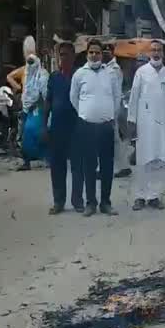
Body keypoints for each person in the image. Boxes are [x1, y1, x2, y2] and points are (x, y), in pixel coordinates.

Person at [70, 39, 121, 217]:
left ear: (102, 54)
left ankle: (106, 203)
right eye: (91, 52)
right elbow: (73, 98)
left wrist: (108, 116)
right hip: (87, 127)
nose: (94, 55)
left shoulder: (111, 74)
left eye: (97, 52)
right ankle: (91, 203)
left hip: (106, 127)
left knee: (107, 166)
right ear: (87, 54)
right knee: (89, 166)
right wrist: (86, 114)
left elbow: (116, 98)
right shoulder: (79, 74)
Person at [129, 40, 165, 211]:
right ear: (149, 53)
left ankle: (154, 196)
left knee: (159, 160)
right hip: (144, 124)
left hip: (162, 125)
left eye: (159, 50)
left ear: (163, 53)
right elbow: (134, 98)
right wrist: (131, 120)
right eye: (153, 50)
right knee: (143, 160)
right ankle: (140, 196)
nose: (156, 53)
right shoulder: (141, 72)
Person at [41, 39, 83, 214]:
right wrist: (44, 126)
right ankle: (58, 202)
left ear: (73, 56)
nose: (63, 58)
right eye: (61, 55)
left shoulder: (80, 76)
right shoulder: (54, 77)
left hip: (76, 129)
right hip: (57, 128)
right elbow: (48, 102)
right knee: (57, 167)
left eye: (67, 54)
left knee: (78, 167)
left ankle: (77, 201)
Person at [17, 36, 49, 171]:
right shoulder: (27, 74)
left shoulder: (43, 75)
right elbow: (26, 93)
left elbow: (45, 95)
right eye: (28, 62)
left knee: (39, 134)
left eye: (32, 62)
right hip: (26, 110)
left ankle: (48, 159)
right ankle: (26, 162)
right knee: (25, 136)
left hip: (39, 111)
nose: (30, 64)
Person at [104, 44, 132, 179]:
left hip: (113, 107)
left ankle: (121, 167)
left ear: (112, 52)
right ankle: (123, 166)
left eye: (107, 50)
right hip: (107, 108)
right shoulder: (104, 67)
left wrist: (113, 113)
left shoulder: (114, 70)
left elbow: (115, 92)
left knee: (115, 139)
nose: (104, 52)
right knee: (115, 139)